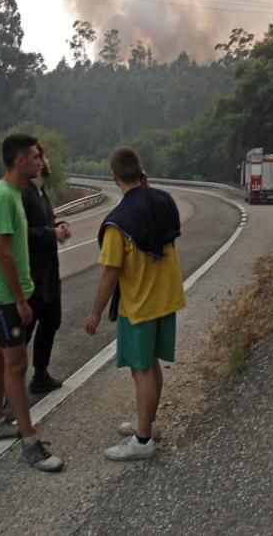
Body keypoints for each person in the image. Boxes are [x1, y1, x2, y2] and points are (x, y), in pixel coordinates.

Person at [85, 146, 186, 461]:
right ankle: (148, 424)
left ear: (115, 177)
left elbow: (110, 274)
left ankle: (142, 442)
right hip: (166, 298)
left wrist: (95, 313)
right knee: (152, 364)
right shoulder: (164, 201)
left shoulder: (118, 223)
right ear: (141, 172)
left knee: (141, 370)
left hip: (139, 304)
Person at [0, 133, 64, 472]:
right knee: (16, 364)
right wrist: (21, 299)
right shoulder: (2, 196)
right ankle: (29, 442)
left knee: (0, 354)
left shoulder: (14, 193)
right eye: (34, 156)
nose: (40, 161)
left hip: (9, 293)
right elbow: (2, 253)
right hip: (3, 295)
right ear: (19, 161)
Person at [21, 141, 71, 394]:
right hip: (32, 276)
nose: (47, 161)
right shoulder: (24, 193)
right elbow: (21, 233)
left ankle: (40, 374)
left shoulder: (41, 192)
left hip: (50, 274)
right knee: (24, 333)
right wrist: (51, 233)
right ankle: (11, 390)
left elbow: (45, 224)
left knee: (52, 321)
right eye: (42, 157)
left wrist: (59, 226)